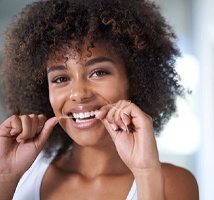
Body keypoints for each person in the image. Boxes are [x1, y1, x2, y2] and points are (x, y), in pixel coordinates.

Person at [0, 0, 199, 199]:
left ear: (135, 81)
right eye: (61, 78)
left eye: (98, 72)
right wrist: (5, 177)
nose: (78, 93)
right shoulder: (21, 173)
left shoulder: (174, 183)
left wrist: (145, 172)